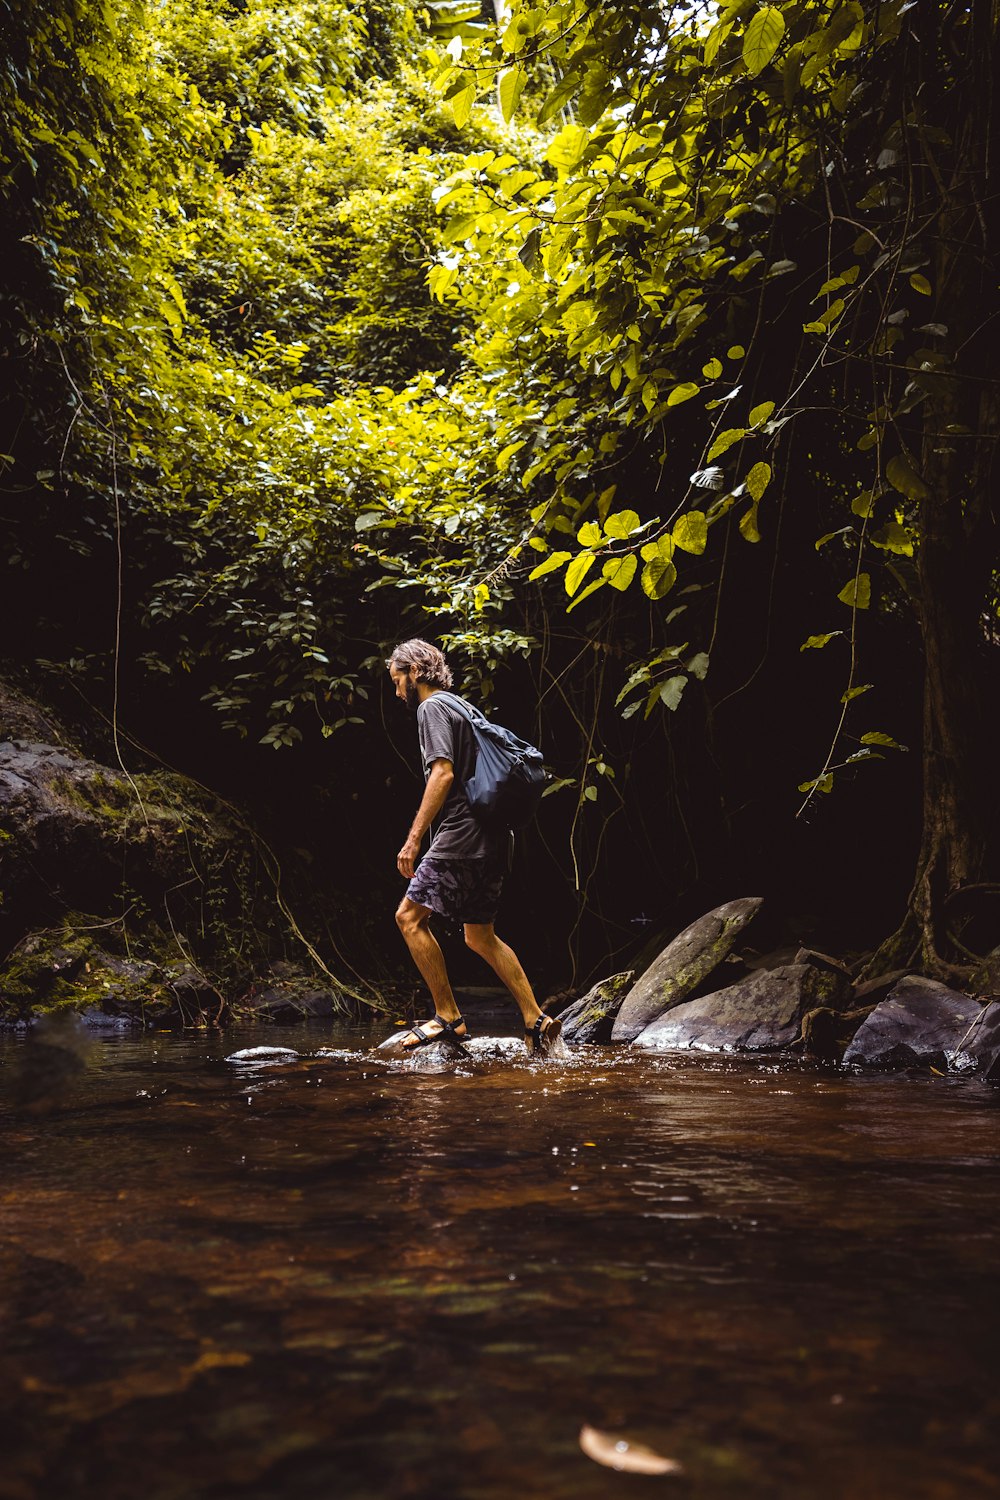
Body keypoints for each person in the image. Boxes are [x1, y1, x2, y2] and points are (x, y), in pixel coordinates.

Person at [386, 638, 561, 1055]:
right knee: (480, 936)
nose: (396, 693)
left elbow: (442, 775)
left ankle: (448, 1018)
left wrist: (413, 840)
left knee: (409, 918)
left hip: (463, 833)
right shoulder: (462, 705)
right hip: (496, 836)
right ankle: (536, 1020)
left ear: (415, 672)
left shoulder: (432, 707)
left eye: (397, 681)